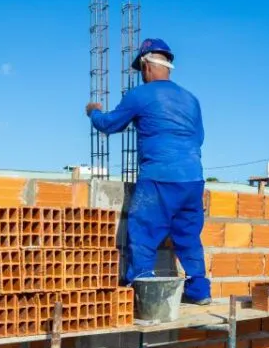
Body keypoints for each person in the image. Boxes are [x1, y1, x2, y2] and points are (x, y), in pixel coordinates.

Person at [85, 38, 211, 305]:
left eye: (141, 70)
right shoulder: (191, 99)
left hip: (159, 177)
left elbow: (109, 125)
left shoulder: (140, 95)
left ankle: (144, 290)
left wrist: (93, 113)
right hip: (192, 178)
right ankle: (199, 291)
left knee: (143, 231)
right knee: (188, 236)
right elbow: (198, 138)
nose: (141, 76)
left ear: (146, 65)